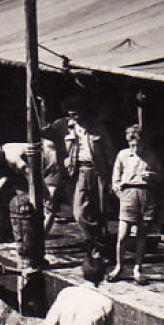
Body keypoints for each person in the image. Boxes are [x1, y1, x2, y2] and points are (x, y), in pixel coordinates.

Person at [46, 97, 115, 252]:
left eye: (76, 114)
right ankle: (94, 239)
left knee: (100, 210)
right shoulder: (63, 126)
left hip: (97, 171)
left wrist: (112, 176)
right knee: (79, 212)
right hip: (76, 172)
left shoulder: (97, 127)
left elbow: (110, 151)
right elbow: (44, 131)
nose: (74, 118)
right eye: (71, 114)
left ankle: (100, 244)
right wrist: (42, 109)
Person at [111, 125, 163, 283]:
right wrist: (120, 194)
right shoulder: (123, 155)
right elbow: (115, 179)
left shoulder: (152, 156)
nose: (135, 148)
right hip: (128, 194)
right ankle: (119, 266)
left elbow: (161, 178)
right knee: (123, 235)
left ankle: (137, 269)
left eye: (138, 144)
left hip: (146, 194)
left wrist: (152, 177)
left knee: (141, 235)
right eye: (131, 144)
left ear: (144, 142)